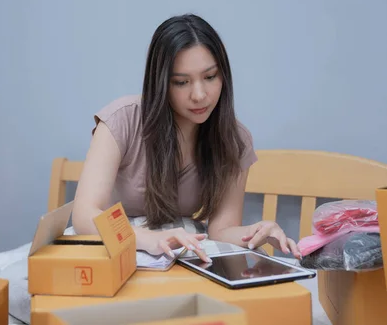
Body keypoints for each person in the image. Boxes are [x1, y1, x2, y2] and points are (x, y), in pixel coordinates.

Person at [72, 13, 301, 262]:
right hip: (113, 251)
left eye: (210, 77)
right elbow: (85, 215)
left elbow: (221, 231)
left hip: (176, 259)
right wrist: (149, 239)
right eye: (181, 82)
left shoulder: (235, 140)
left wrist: (256, 232)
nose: (200, 95)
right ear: (161, 83)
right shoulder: (122, 120)